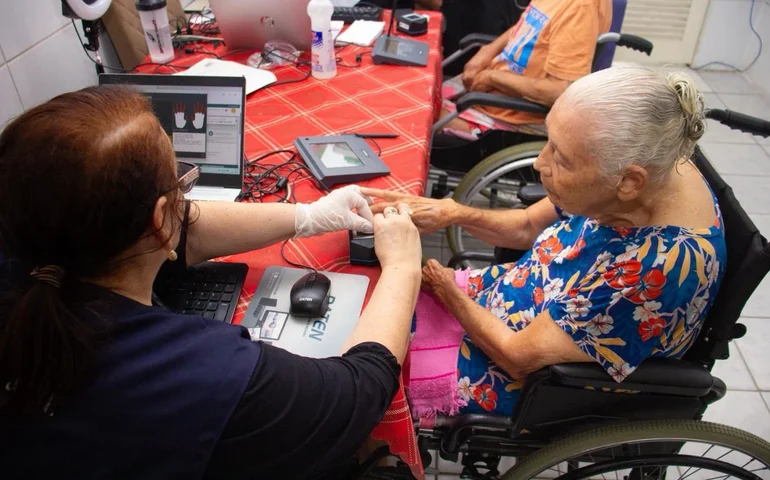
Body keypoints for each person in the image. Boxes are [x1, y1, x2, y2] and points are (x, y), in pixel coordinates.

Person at [0, 87, 423, 478]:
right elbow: (360, 390)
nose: (189, 201)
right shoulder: (203, 375)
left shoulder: (29, 242)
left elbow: (182, 228)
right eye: (183, 183)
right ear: (158, 221)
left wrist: (309, 217)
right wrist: (404, 266)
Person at [364, 66, 727, 415]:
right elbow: (526, 224)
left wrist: (447, 291)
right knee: (370, 294)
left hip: (524, 375)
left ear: (630, 183)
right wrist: (454, 212)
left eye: (561, 159)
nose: (539, 163)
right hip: (510, 298)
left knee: (367, 375)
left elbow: (519, 358)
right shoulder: (652, 161)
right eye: (549, 142)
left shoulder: (653, 270)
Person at [440, 0, 612, 139]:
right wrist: (488, 50)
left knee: (417, 116)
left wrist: (492, 78)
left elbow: (560, 90)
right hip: (486, 95)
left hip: (507, 120)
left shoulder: (580, 8)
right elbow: (527, 27)